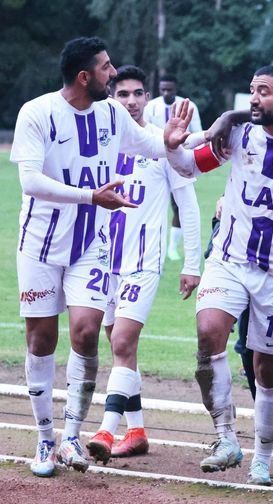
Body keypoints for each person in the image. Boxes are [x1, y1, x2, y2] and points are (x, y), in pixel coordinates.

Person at [11, 36, 170, 478]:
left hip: (91, 245)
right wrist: (89, 196)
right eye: (105, 67)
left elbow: (149, 144)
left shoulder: (112, 113)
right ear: (85, 77)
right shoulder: (37, 112)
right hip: (41, 245)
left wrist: (176, 139)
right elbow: (30, 182)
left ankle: (71, 437)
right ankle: (44, 439)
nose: (113, 71)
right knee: (42, 341)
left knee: (85, 333)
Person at [163, 65, 273, 487]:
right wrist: (172, 146)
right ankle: (225, 439)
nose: (253, 99)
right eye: (251, 91)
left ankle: (263, 459)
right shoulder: (238, 134)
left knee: (268, 371)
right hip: (230, 260)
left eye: (264, 92)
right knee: (208, 332)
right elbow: (187, 167)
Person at [84, 65, 201, 463]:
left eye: (137, 93)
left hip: (142, 262)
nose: (131, 101)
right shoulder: (102, 143)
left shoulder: (163, 144)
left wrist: (192, 263)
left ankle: (106, 428)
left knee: (121, 343)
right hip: (103, 262)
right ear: (111, 98)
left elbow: (187, 204)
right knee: (118, 347)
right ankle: (136, 432)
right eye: (123, 94)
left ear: (148, 97)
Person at [143, 73, 202, 262]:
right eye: (163, 89)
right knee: (149, 205)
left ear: (175, 89)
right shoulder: (152, 106)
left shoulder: (189, 106)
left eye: (169, 89)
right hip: (155, 161)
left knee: (180, 207)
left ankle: (172, 248)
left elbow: (198, 132)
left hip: (179, 161)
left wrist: (188, 154)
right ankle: (148, 246)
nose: (166, 92)